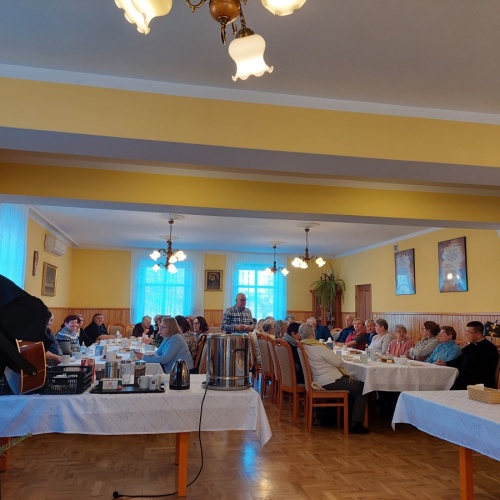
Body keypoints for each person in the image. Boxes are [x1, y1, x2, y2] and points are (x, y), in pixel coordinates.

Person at [300, 322, 369, 434]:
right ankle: (356, 423)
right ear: (313, 333)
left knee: (354, 385)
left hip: (318, 379)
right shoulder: (318, 347)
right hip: (329, 381)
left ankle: (346, 417)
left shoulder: (304, 346)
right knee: (361, 386)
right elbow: (339, 362)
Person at [438, 321, 499, 389]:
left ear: (478, 334)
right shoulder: (471, 346)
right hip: (466, 379)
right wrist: (445, 363)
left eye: (468, 332)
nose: (466, 334)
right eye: (465, 331)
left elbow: (474, 367)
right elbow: (459, 360)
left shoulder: (489, 348)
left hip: (479, 384)